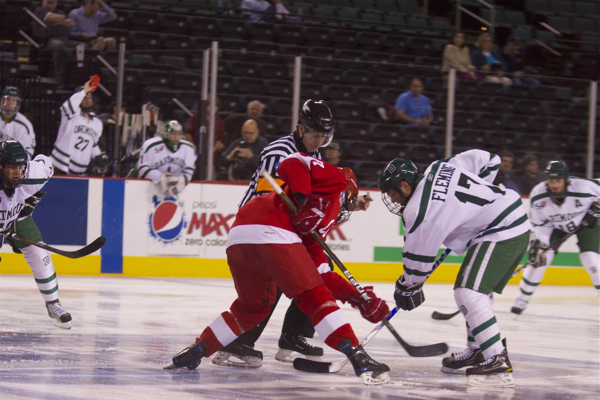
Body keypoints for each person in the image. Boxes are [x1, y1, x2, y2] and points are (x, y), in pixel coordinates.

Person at [165, 153, 391, 386]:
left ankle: (197, 350)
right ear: (349, 193)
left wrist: (358, 298)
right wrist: (303, 199)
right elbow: (291, 162)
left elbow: (323, 275)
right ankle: (358, 356)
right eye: (351, 202)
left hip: (240, 234)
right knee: (314, 296)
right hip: (271, 230)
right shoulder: (337, 179)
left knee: (253, 308)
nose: (348, 208)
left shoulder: (320, 223)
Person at [216, 99, 372, 368]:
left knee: (316, 271)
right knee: (275, 278)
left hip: (285, 228)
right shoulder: (280, 151)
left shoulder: (316, 155)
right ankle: (239, 342)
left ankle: (293, 335)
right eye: (314, 133)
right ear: (301, 128)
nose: (318, 140)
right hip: (262, 226)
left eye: (324, 135)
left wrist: (348, 203)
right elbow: (269, 198)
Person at [378, 149, 531, 386]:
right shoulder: (438, 167)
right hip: (506, 219)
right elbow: (490, 159)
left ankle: (496, 357)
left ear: (405, 185)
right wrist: (478, 199)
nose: (394, 199)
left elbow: (417, 262)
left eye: (393, 193)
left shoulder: (420, 211)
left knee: (469, 292)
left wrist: (407, 287)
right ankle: (478, 349)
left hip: (503, 229)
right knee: (476, 291)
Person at [0, 96, 72, 330]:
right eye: (10, 167)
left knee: (40, 254)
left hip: (18, 217)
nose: (16, 172)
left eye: (19, 166)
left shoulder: (33, 173)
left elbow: (47, 163)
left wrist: (29, 200)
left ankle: (53, 304)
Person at [511, 161, 600, 315]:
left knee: (590, 258)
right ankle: (522, 300)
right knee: (539, 262)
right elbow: (540, 224)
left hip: (585, 222)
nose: (555, 185)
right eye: (551, 180)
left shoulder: (583, 187)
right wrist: (542, 243)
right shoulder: (538, 195)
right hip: (554, 227)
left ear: (566, 179)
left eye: (558, 180)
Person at [50, 77, 107, 175]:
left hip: (80, 172)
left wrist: (99, 156)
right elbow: (68, 106)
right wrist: (84, 90)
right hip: (59, 166)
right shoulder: (71, 115)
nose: (87, 101)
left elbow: (92, 144)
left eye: (89, 97)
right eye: (84, 98)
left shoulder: (97, 123)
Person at [132, 120, 196, 197]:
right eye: (172, 134)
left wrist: (179, 184)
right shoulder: (151, 145)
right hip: (145, 187)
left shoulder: (188, 148)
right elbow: (142, 169)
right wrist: (160, 177)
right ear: (165, 134)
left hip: (173, 186)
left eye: (178, 134)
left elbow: (188, 171)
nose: (175, 137)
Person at [32, 0, 76, 84]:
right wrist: (61, 20)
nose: (51, 1)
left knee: (82, 45)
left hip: (64, 39)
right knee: (58, 45)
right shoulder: (40, 10)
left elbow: (71, 23)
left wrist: (56, 21)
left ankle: (76, 73)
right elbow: (50, 17)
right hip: (47, 41)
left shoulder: (60, 11)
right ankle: (59, 74)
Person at [1, 87, 36, 158]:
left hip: (13, 163)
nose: (10, 103)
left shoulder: (24, 125)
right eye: (8, 99)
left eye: (14, 100)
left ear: (17, 103)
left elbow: (26, 152)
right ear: (2, 100)